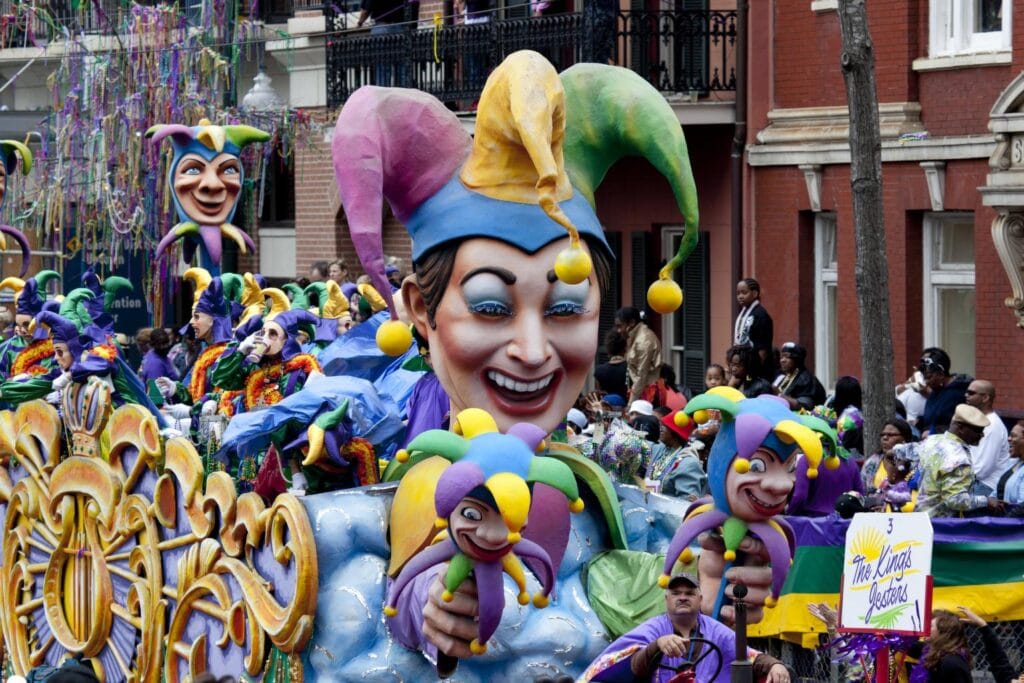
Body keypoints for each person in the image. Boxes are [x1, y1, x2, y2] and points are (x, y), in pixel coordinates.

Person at [584, 572, 791, 683]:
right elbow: (631, 666)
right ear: (667, 599)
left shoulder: (715, 630)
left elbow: (749, 656)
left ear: (700, 599)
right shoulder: (653, 629)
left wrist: (775, 665)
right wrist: (657, 645)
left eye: (689, 593)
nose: (682, 597)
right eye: (676, 593)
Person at [915, 404, 1003, 517]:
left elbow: (905, 451)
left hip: (920, 517)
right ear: (961, 428)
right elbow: (955, 500)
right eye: (978, 430)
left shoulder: (932, 441)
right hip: (942, 525)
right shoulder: (959, 458)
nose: (982, 435)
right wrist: (986, 501)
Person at [964, 379, 1012, 493]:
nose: (966, 395)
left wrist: (956, 480)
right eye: (966, 392)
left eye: (971, 393)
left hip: (986, 486)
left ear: (985, 398)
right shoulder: (979, 421)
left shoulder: (992, 426)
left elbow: (981, 469)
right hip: (974, 480)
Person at [644, 409, 705, 500]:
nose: (660, 429)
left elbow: (685, 504)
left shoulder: (688, 464)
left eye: (664, 426)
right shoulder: (660, 449)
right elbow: (640, 445)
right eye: (661, 425)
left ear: (675, 432)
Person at [917, 348, 972, 435]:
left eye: (929, 377)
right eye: (924, 378)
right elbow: (933, 419)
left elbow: (959, 426)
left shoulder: (958, 393)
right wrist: (919, 422)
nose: (926, 382)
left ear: (941, 374)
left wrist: (933, 432)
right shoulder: (935, 391)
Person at [614, 306, 661, 400]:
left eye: (620, 326)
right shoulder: (634, 337)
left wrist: (631, 403)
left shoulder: (643, 341)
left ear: (631, 323)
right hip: (640, 390)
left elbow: (641, 375)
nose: (618, 331)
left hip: (647, 393)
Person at [861, 417, 915, 492]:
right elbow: (863, 491)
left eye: (891, 435)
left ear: (904, 438)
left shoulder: (915, 464)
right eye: (883, 435)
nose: (885, 438)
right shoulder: (872, 463)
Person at [733, 278, 773, 379]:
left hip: (755, 370)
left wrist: (752, 373)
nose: (740, 296)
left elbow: (763, 349)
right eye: (738, 293)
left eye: (744, 293)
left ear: (754, 293)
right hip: (741, 365)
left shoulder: (761, 315)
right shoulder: (744, 313)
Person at [772, 341, 825, 411]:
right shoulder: (783, 377)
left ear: (797, 359)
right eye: (781, 357)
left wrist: (779, 395)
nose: (782, 360)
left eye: (787, 357)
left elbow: (803, 406)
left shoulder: (805, 379)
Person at [593, 329, 629, 398]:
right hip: (626, 408)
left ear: (608, 349)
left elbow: (598, 395)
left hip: (605, 407)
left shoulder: (599, 370)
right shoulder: (630, 369)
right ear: (624, 349)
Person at [997, 420, 1024, 504]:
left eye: (1013, 436)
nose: (1009, 439)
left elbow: (1021, 507)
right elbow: (995, 493)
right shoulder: (1013, 462)